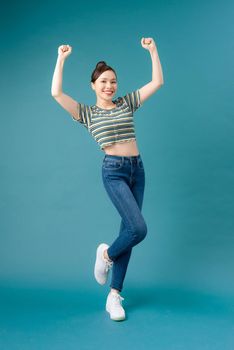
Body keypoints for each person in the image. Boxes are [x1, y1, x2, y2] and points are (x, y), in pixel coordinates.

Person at [51, 37, 164, 321]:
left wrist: (153, 51)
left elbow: (157, 82)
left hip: (137, 170)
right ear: (93, 85)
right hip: (113, 171)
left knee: (128, 231)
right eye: (103, 82)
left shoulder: (127, 103)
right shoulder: (87, 114)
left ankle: (114, 295)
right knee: (138, 229)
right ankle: (107, 256)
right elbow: (56, 93)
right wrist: (61, 59)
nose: (109, 86)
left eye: (112, 81)